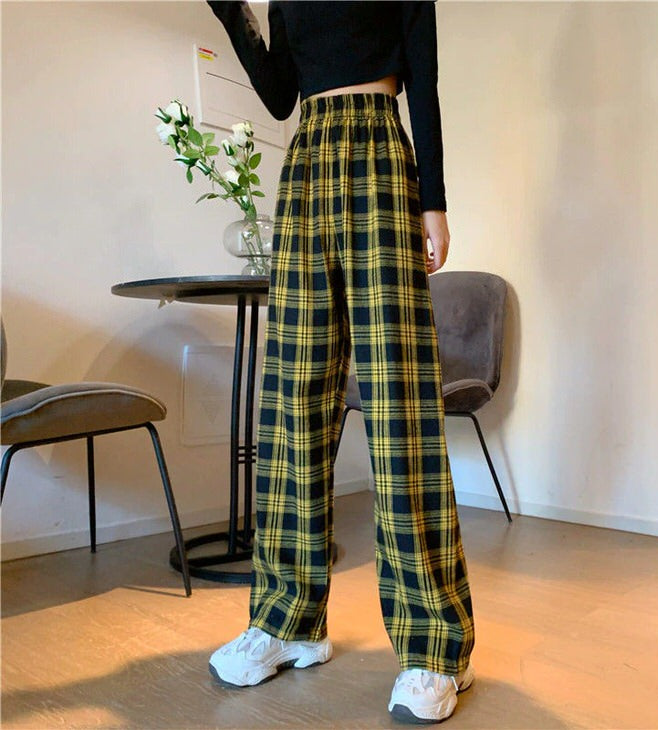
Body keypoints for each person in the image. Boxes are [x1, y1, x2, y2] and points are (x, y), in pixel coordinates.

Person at [205, 1, 475, 723]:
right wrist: (231, 10)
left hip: (382, 156)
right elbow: (279, 94)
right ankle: (287, 619)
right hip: (306, 165)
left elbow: (424, 81)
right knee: (293, 398)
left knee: (399, 405)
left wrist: (434, 202)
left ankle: (437, 647)